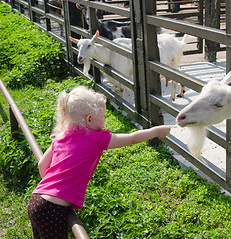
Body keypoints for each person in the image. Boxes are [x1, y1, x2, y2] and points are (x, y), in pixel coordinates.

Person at [27, 86, 170, 238]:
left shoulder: (62, 136)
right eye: (103, 115)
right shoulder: (96, 138)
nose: (105, 119)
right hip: (52, 209)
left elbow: (42, 165)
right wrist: (156, 131)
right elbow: (132, 138)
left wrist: (54, 188)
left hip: (36, 199)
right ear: (89, 119)